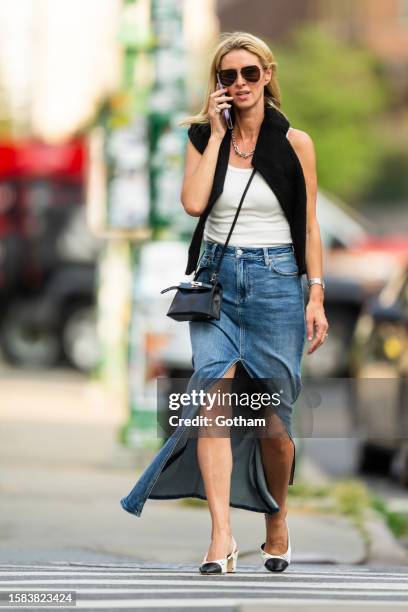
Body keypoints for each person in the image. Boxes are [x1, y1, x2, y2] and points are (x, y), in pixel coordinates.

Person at [120, 31, 329, 575]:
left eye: (248, 74)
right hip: (216, 283)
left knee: (273, 422)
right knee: (210, 398)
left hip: (278, 282)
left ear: (267, 75)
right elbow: (193, 203)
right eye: (227, 76)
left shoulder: (295, 143)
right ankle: (221, 536)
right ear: (217, 85)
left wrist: (316, 294)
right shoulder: (201, 137)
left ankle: (277, 519)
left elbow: (308, 224)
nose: (239, 84)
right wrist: (214, 134)